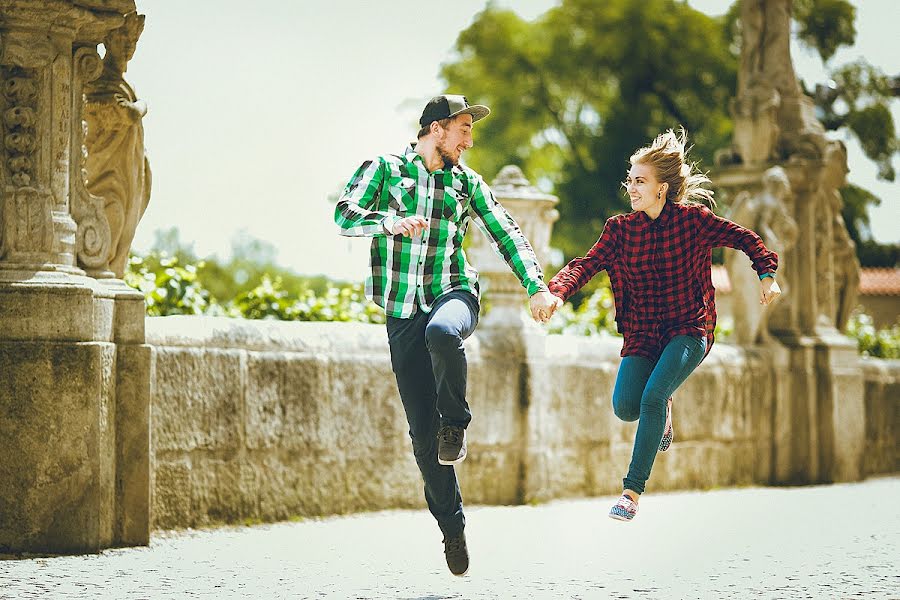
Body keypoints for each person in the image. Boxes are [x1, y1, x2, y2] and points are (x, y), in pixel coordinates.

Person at [334, 94, 559, 575]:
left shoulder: (466, 183)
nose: (469, 140)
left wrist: (537, 286)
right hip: (400, 309)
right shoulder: (386, 169)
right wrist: (389, 223)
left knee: (443, 331)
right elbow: (344, 215)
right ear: (436, 129)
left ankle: (456, 422)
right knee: (422, 440)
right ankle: (452, 527)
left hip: (452, 292)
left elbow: (507, 231)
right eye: (463, 130)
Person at [542, 128, 782, 522]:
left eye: (640, 181)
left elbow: (747, 239)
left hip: (690, 329)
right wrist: (557, 292)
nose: (631, 188)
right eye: (630, 180)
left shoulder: (694, 222)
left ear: (662, 189)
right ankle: (665, 406)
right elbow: (585, 264)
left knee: (652, 396)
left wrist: (766, 275)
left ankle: (631, 493)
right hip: (643, 335)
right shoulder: (620, 230)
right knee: (625, 407)